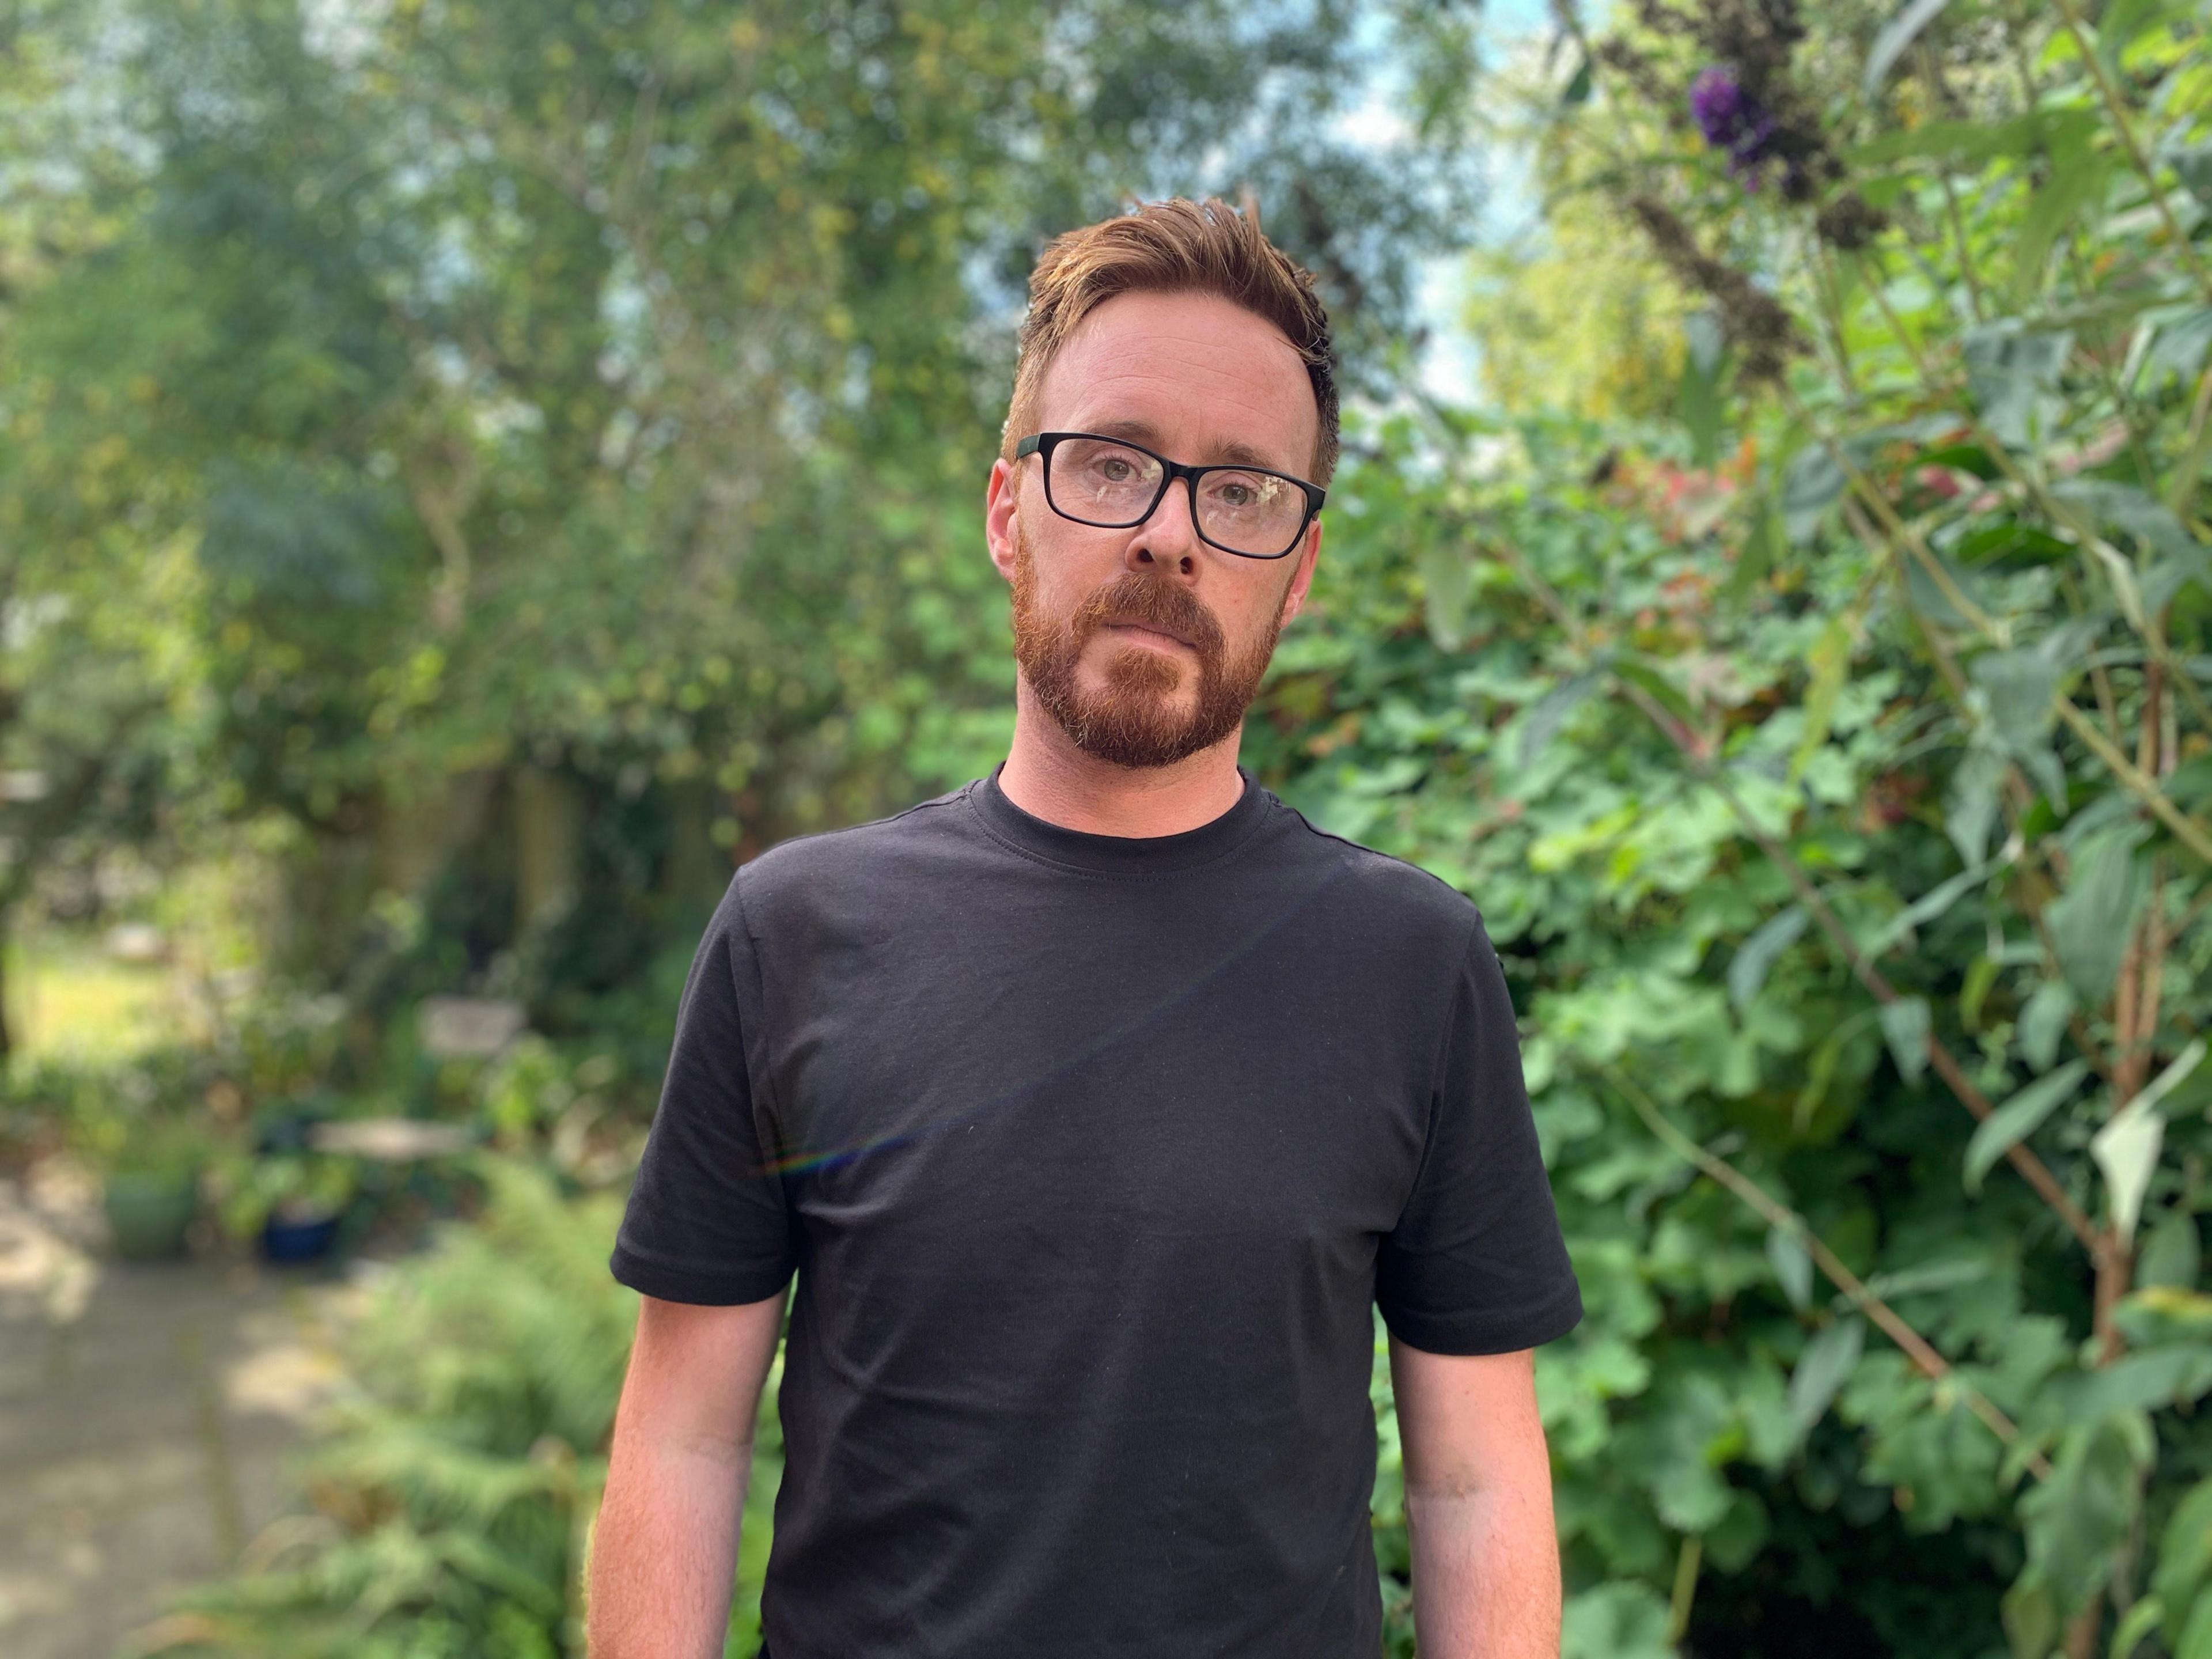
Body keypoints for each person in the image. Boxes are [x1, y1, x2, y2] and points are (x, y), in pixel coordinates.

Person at [587, 196, 1581, 1659]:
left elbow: (1479, 1475)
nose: (1171, 533)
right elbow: (682, 1439)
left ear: (1296, 573)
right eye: (1111, 464)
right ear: (1008, 514)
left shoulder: (1412, 963)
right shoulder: (795, 932)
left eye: (1242, 491)